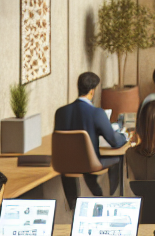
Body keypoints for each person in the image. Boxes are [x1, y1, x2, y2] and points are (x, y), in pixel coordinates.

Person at [54, 71, 128, 205]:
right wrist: (125, 136)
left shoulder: (61, 112)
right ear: (92, 91)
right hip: (90, 163)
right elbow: (114, 142)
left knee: (75, 162)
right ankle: (111, 198)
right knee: (119, 158)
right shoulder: (96, 113)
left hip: (64, 165)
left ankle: (73, 202)